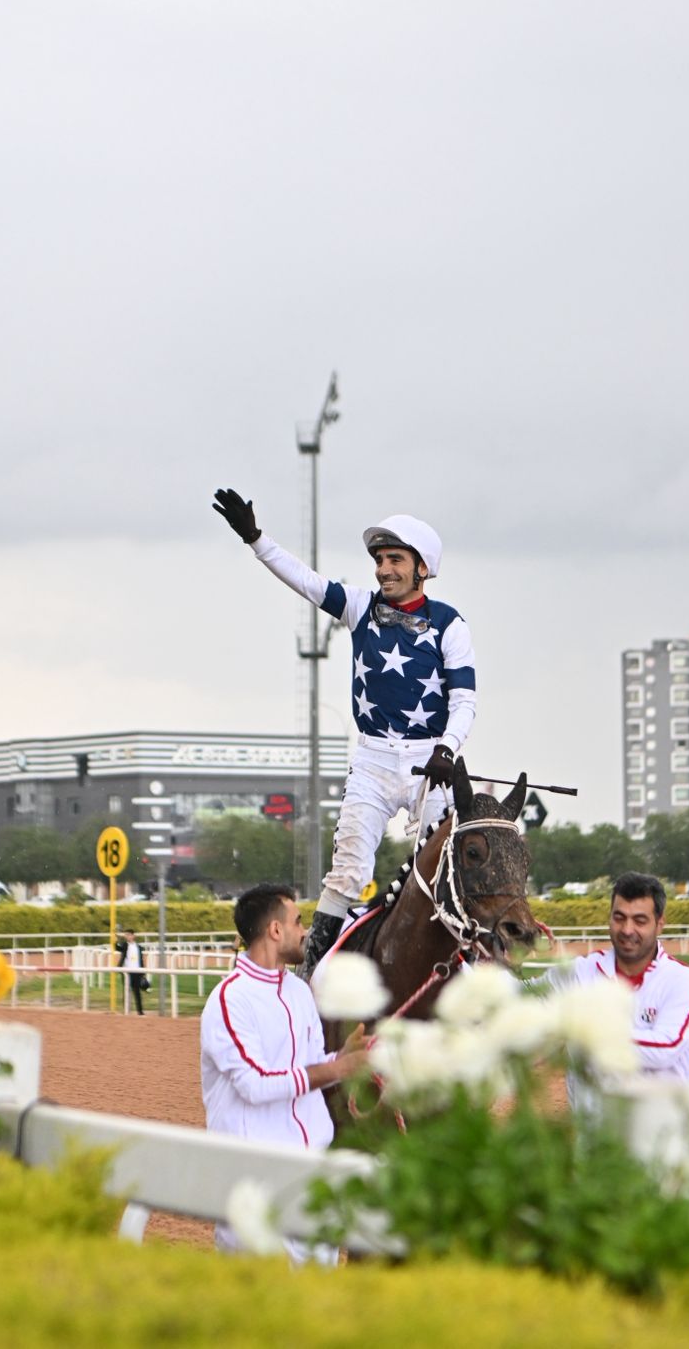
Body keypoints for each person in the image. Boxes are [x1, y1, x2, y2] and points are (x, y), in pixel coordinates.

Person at [212, 488, 478, 973]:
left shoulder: (449, 625)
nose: (383, 569)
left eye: (394, 559)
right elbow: (307, 583)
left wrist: (447, 747)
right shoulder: (359, 606)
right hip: (373, 762)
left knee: (451, 871)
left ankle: (477, 975)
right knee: (348, 872)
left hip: (431, 767)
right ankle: (310, 974)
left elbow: (465, 701)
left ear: (422, 567)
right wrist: (256, 539)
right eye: (379, 560)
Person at [200, 884, 368, 1260]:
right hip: (255, 1188)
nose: (305, 930)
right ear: (275, 931)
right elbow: (255, 1084)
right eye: (297, 921)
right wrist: (336, 1067)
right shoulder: (230, 999)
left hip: (311, 1181)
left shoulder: (299, 991)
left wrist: (345, 1058)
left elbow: (310, 1067)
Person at [541, 873, 689, 1107]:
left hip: (660, 1135)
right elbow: (522, 997)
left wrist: (586, 1034)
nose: (627, 930)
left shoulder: (684, 980)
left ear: (660, 924)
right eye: (619, 918)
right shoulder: (579, 971)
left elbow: (665, 1049)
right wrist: (481, 956)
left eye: (640, 921)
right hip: (591, 1137)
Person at [119, 930, 149, 1016]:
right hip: (127, 972)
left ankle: (140, 1011)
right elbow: (117, 947)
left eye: (128, 935)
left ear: (133, 936)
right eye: (126, 935)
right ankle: (126, 1011)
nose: (127, 937)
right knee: (126, 991)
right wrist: (116, 940)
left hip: (137, 972)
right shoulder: (124, 945)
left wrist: (143, 971)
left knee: (137, 992)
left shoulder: (138, 947)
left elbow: (141, 959)